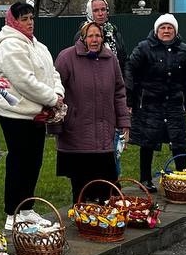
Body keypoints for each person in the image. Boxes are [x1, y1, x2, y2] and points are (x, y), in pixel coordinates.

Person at [0, 2, 64, 231]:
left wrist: (58, 92)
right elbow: (24, 81)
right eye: (24, 19)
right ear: (14, 21)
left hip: (36, 113)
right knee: (19, 162)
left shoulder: (37, 45)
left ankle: (27, 209)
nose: (30, 22)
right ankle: (12, 214)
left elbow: (52, 72)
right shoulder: (10, 46)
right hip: (15, 112)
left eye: (32, 18)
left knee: (34, 161)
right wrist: (52, 99)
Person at [53, 21, 130, 203]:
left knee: (105, 184)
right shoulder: (67, 58)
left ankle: (101, 222)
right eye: (90, 36)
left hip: (104, 133)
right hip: (77, 132)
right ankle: (81, 217)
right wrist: (56, 122)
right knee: (80, 184)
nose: (94, 40)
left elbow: (119, 92)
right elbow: (55, 88)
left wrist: (124, 122)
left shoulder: (111, 59)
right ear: (83, 38)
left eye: (98, 36)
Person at [126, 14, 186, 192]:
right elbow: (130, 70)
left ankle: (182, 174)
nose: (166, 31)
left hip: (174, 101)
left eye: (169, 28)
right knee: (147, 141)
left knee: (179, 139)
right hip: (150, 101)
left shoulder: (184, 50)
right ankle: (145, 179)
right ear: (156, 31)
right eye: (162, 28)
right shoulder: (143, 48)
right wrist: (130, 98)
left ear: (175, 31)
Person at [85, 0, 128, 73]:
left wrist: (126, 82)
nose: (100, 14)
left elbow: (125, 61)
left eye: (103, 9)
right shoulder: (83, 35)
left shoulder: (115, 34)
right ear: (89, 13)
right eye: (95, 10)